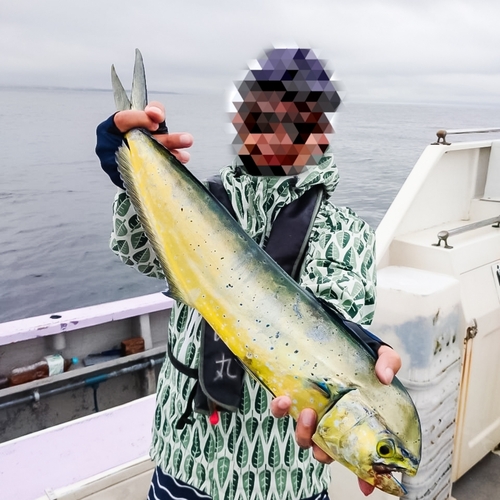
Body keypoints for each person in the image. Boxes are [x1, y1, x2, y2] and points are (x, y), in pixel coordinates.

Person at [96, 48, 401, 500]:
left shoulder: (347, 233)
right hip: (188, 461)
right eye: (261, 110)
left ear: (321, 131)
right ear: (240, 119)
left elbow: (334, 319)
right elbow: (139, 251)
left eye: (297, 115)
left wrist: (365, 348)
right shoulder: (196, 201)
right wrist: (135, 168)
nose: (276, 128)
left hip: (286, 478)